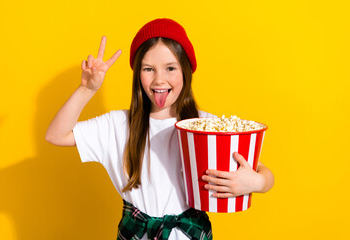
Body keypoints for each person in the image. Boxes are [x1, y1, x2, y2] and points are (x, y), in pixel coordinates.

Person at [46, 18, 274, 240]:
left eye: (170, 68)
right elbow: (56, 135)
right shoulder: (117, 125)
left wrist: (255, 183)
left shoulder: (206, 125)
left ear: (185, 70)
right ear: (138, 75)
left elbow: (263, 173)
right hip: (135, 233)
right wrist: (87, 90)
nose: (159, 80)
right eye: (148, 69)